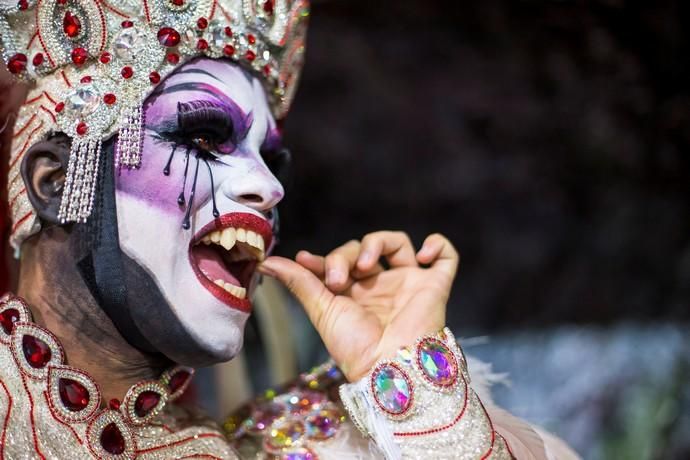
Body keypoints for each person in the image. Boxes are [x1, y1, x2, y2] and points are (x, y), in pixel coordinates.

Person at [0, 0, 579, 458]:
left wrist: (406, 375)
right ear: (53, 182)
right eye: (203, 138)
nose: (269, 189)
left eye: (270, 161)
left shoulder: (296, 446)